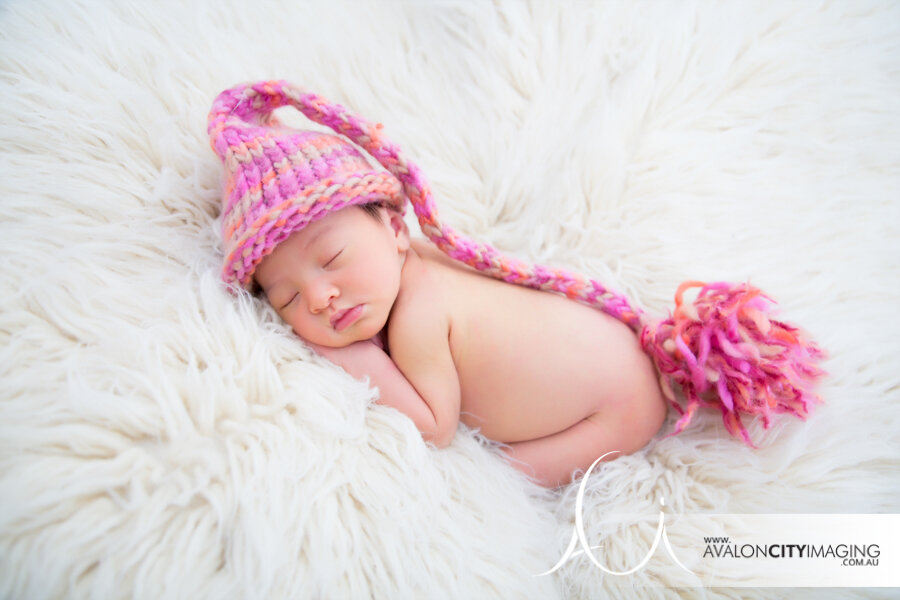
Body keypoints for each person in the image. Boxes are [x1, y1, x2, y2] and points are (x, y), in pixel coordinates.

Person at [208, 80, 824, 488]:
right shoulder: (422, 258)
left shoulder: (424, 312)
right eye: (285, 298)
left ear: (395, 227)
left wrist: (350, 355)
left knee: (497, 479)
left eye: (333, 257)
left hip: (615, 411)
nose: (318, 298)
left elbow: (433, 425)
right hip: (616, 359)